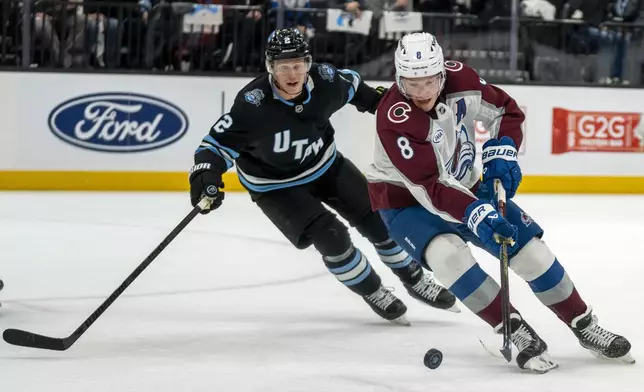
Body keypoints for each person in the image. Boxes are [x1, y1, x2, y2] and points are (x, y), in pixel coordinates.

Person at [366, 32, 634, 372]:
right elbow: (431, 185)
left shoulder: (462, 79)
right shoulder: (395, 116)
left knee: (532, 253)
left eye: (429, 81)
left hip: (463, 183)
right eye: (411, 83)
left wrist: (501, 153)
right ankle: (513, 328)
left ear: (442, 74)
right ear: (399, 78)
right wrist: (476, 211)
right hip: (404, 200)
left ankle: (583, 323)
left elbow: (506, 110)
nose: (422, 93)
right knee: (448, 256)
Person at [188, 28, 458, 325]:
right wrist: (206, 176)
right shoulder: (251, 105)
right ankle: (373, 290)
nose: (293, 74)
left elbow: (360, 91)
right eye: (284, 67)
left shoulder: (327, 80)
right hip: (276, 187)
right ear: (270, 68)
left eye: (299, 65)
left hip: (327, 166)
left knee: (381, 221)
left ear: (308, 63)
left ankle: (414, 278)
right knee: (333, 237)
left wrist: (393, 110)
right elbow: (214, 146)